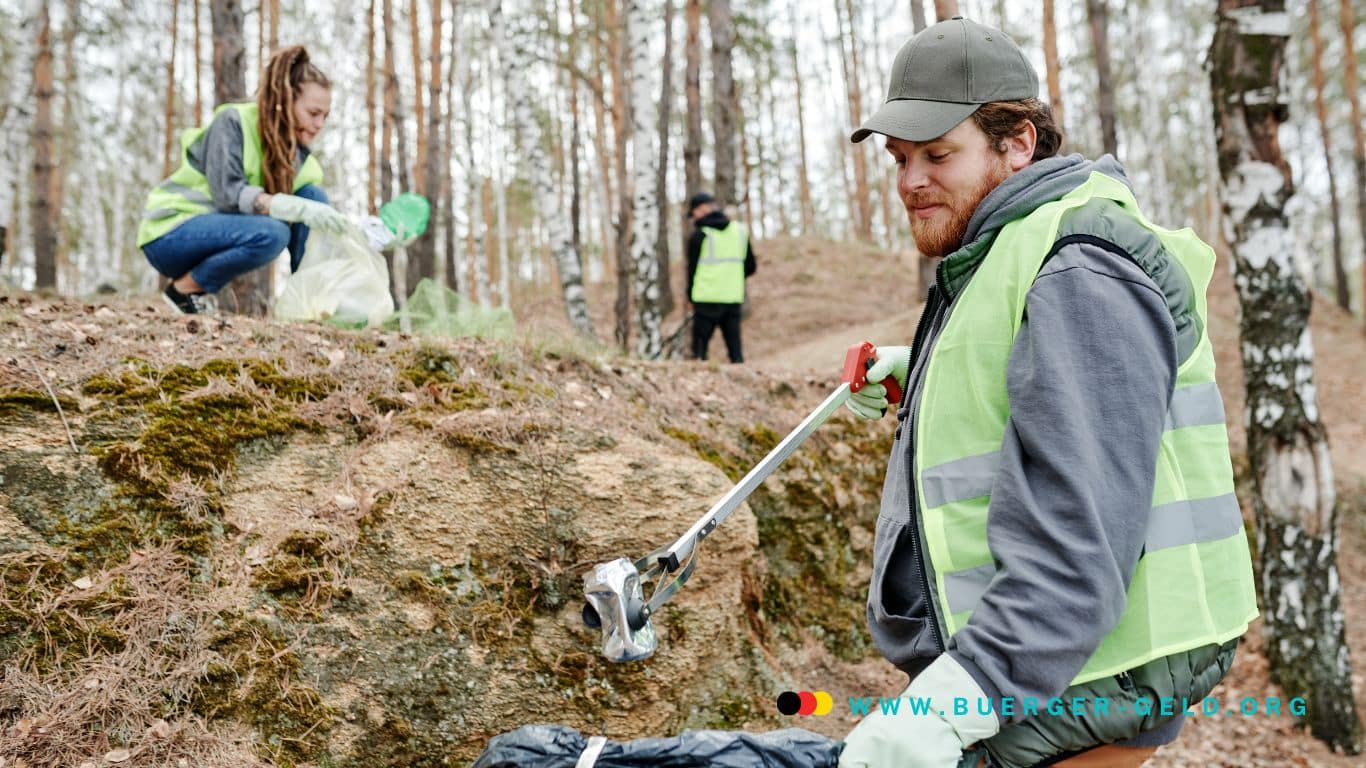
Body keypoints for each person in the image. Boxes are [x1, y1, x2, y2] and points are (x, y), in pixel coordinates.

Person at [837, 17, 1257, 768]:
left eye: (939, 154)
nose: (909, 182)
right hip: (1060, 660)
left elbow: (1079, 536)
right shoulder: (1010, 244)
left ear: (1019, 142)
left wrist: (954, 703)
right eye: (900, 159)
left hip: (1093, 671)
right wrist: (923, 374)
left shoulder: (1078, 265)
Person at [137, 45, 348, 314]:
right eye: (313, 113)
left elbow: (314, 210)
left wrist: (363, 232)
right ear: (284, 100)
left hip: (217, 234)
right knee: (273, 233)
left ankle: (309, 306)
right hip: (171, 234)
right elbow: (228, 195)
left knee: (314, 197)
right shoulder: (233, 122)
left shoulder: (298, 157)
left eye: (325, 116)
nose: (320, 124)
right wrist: (289, 207)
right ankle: (182, 291)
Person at [685, 191, 756, 362]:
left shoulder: (699, 236)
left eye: (693, 213)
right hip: (732, 297)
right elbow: (751, 267)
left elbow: (691, 271)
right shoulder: (739, 232)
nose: (693, 219)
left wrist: (689, 297)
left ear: (701, 210)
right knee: (736, 353)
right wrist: (731, 277)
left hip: (705, 299)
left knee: (699, 354)